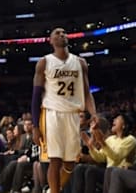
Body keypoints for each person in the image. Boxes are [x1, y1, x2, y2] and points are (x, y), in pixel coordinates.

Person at [31, 27, 98, 193]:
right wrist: (35, 126)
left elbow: (87, 92)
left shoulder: (80, 63)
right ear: (51, 40)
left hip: (73, 115)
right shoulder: (44, 62)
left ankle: (53, 190)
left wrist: (94, 113)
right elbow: (36, 96)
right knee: (55, 160)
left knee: (70, 162)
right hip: (52, 113)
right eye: (57, 33)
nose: (62, 35)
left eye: (64, 32)